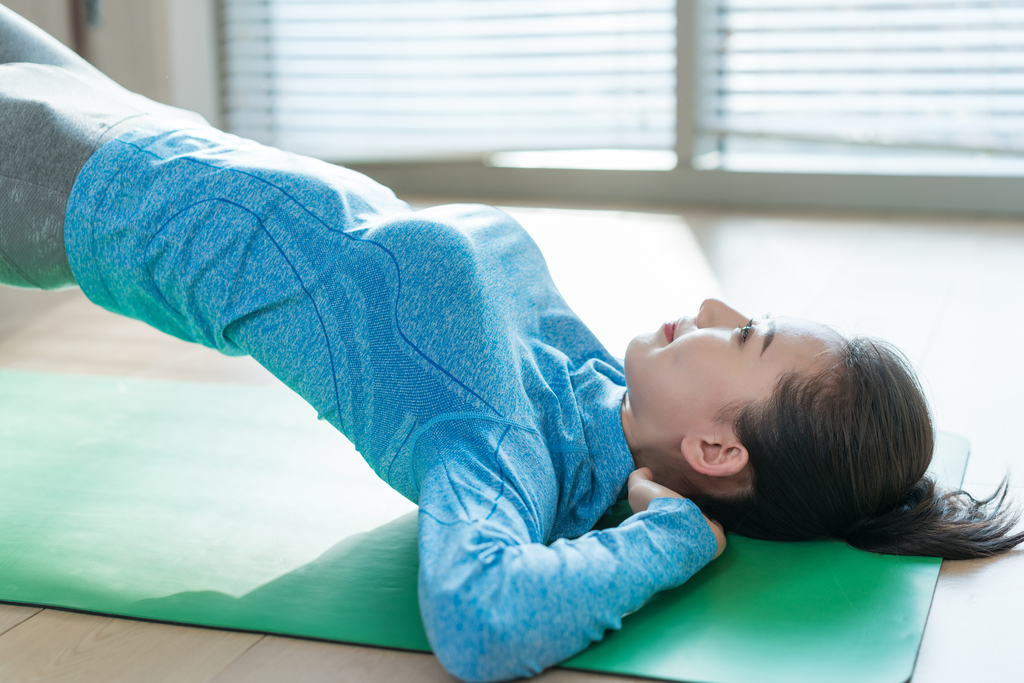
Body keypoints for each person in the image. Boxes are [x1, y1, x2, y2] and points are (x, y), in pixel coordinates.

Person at [1, 6, 1021, 682]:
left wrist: (669, 537)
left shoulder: (499, 447)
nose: (710, 303)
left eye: (741, 334)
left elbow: (480, 619)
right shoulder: (588, 391)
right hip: (157, 130)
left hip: (96, 190)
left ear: (715, 450)